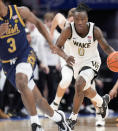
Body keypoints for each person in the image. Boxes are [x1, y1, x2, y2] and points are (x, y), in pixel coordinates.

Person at [0, 1, 70, 131]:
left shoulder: (19, 11)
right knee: (39, 100)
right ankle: (59, 118)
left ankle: (35, 124)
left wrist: (50, 43)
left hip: (25, 55)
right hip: (7, 65)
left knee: (21, 81)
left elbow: (38, 22)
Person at [54, 3, 116, 129]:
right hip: (76, 63)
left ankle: (72, 119)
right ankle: (101, 101)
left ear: (87, 19)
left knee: (79, 84)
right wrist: (65, 57)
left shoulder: (95, 30)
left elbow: (106, 47)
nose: (80, 22)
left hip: (92, 62)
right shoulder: (68, 29)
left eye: (83, 19)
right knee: (85, 90)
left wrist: (115, 55)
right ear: (73, 19)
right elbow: (57, 47)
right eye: (77, 19)